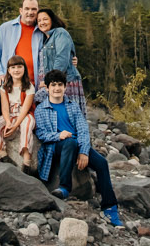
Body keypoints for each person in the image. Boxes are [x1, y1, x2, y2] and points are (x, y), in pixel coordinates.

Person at [32, 70, 123, 225]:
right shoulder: (41, 109)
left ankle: (110, 207)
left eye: (60, 85)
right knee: (69, 143)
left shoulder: (72, 106)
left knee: (101, 163)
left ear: (65, 87)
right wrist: (58, 136)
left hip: (77, 145)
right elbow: (41, 133)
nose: (56, 88)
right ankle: (65, 187)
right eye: (53, 85)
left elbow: (82, 130)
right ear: (47, 88)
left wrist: (83, 152)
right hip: (57, 146)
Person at [0, 53, 39, 168]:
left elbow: (26, 109)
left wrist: (15, 125)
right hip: (11, 114)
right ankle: (3, 154)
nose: (16, 70)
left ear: (24, 69)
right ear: (8, 70)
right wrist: (8, 122)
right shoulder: (4, 87)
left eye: (19, 67)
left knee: (26, 126)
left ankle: (26, 162)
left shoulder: (29, 87)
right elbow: (5, 107)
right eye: (13, 67)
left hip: (24, 114)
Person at [0, 0, 42, 88]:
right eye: (27, 9)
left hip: (35, 86)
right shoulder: (6, 28)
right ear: (21, 10)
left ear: (38, 11)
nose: (30, 12)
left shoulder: (42, 31)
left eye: (33, 9)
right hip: (9, 85)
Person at [35, 7, 82, 106]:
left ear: (52, 19)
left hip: (63, 82)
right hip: (50, 83)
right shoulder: (45, 39)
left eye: (45, 19)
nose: (42, 22)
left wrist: (50, 81)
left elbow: (61, 58)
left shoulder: (60, 33)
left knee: (67, 115)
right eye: (39, 20)